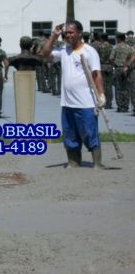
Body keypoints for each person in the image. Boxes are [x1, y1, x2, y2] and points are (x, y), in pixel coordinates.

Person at [41, 20, 105, 169]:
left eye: (71, 32)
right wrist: (53, 36)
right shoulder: (64, 50)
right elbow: (45, 54)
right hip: (67, 102)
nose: (68, 35)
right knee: (70, 135)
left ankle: (97, 162)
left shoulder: (89, 51)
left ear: (79, 33)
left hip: (86, 103)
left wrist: (101, 95)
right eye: (66, 33)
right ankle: (74, 161)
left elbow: (97, 74)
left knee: (89, 132)